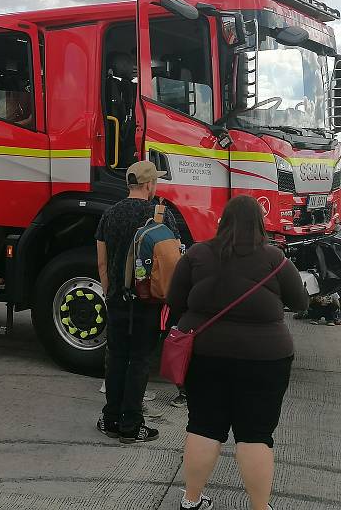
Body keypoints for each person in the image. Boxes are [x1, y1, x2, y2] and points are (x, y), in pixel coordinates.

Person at [167, 195, 308, 510]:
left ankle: (191, 502)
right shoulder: (276, 260)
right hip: (266, 359)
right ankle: (260, 507)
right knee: (256, 435)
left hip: (205, 355)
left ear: (223, 222)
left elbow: (175, 302)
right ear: (259, 224)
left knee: (203, 426)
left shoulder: (196, 255)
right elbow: (300, 303)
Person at [95, 160, 179, 444]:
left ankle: (110, 418)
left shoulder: (109, 214)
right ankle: (131, 425)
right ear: (149, 185)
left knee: (116, 357)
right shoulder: (161, 215)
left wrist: (110, 292)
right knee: (140, 360)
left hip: (117, 298)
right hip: (148, 301)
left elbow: (102, 262)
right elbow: (171, 258)